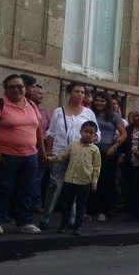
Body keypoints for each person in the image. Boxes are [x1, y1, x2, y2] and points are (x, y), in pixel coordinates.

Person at [0, 74, 46, 235]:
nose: (16, 89)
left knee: (25, 190)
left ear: (25, 88)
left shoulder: (31, 105)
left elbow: (38, 130)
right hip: (6, 155)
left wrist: (42, 153)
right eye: (12, 87)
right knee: (2, 189)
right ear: (6, 89)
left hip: (30, 156)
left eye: (20, 86)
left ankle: (24, 222)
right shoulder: (0, 104)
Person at [40, 82, 100, 230]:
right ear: (69, 93)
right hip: (60, 152)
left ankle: (72, 221)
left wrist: (89, 141)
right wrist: (48, 151)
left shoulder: (88, 113)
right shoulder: (59, 111)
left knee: (76, 186)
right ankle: (46, 217)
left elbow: (97, 134)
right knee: (55, 186)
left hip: (79, 155)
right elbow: (51, 133)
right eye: (77, 91)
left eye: (82, 92)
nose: (80, 94)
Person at [47, 121, 100, 235]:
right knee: (67, 204)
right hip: (70, 180)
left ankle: (78, 227)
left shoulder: (95, 149)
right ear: (81, 132)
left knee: (81, 206)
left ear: (95, 136)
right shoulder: (73, 145)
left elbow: (96, 166)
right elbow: (62, 156)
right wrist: (49, 159)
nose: (88, 134)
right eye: (86, 131)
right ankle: (63, 225)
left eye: (91, 132)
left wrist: (94, 181)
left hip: (84, 181)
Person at [86, 92, 126, 222]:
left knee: (104, 181)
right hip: (91, 151)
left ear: (107, 102)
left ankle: (102, 210)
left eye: (102, 101)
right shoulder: (90, 114)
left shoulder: (114, 116)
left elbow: (123, 134)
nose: (99, 103)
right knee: (90, 180)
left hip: (107, 153)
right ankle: (89, 210)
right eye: (97, 100)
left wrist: (114, 147)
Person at [25, 82, 50, 213]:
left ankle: (35, 203)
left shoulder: (44, 112)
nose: (39, 95)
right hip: (26, 148)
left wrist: (46, 150)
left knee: (38, 178)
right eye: (36, 92)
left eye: (41, 93)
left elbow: (48, 131)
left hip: (40, 149)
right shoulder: (24, 107)